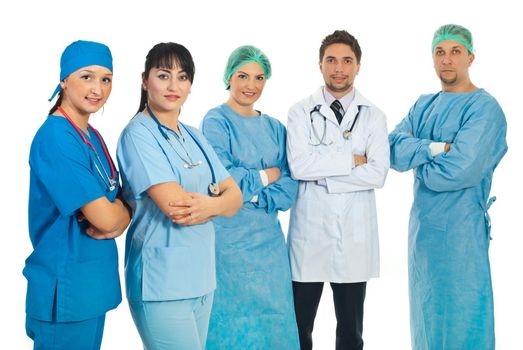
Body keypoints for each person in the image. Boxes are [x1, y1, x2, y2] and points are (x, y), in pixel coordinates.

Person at [116, 42, 242, 350]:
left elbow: (236, 197)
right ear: (145, 80)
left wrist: (216, 203)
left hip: (202, 279)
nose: (174, 86)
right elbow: (177, 208)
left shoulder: (194, 135)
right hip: (162, 283)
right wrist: (219, 203)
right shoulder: (138, 134)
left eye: (183, 77)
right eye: (163, 76)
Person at [389, 24, 508, 349]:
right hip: (423, 239)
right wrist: (437, 148)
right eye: (440, 52)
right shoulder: (423, 104)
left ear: (470, 56)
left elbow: (460, 170)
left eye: (455, 51)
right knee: (427, 324)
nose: (447, 60)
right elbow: (392, 150)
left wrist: (420, 164)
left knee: (465, 321)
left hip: (461, 239)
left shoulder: (485, 108)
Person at [24, 40, 131, 350]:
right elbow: (107, 217)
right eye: (86, 76)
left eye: (106, 78)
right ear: (63, 80)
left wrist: (120, 213)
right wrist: (118, 213)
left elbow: (123, 206)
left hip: (89, 291)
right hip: (66, 290)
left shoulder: (91, 135)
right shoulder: (56, 137)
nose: (97, 88)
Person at [286, 30, 390, 350]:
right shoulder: (301, 112)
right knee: (299, 329)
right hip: (310, 236)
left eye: (347, 61)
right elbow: (300, 167)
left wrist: (324, 176)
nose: (339, 68)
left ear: (358, 66)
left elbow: (377, 173)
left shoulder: (373, 116)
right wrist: (351, 160)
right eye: (331, 60)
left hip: (354, 239)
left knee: (351, 333)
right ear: (320, 65)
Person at [200, 45, 300, 349]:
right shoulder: (216, 121)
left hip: (270, 246)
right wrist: (267, 176)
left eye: (259, 78)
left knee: (274, 320)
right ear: (228, 77)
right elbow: (221, 178)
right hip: (228, 242)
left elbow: (292, 183)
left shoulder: (276, 128)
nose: (251, 85)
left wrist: (249, 193)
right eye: (243, 76)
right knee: (230, 322)